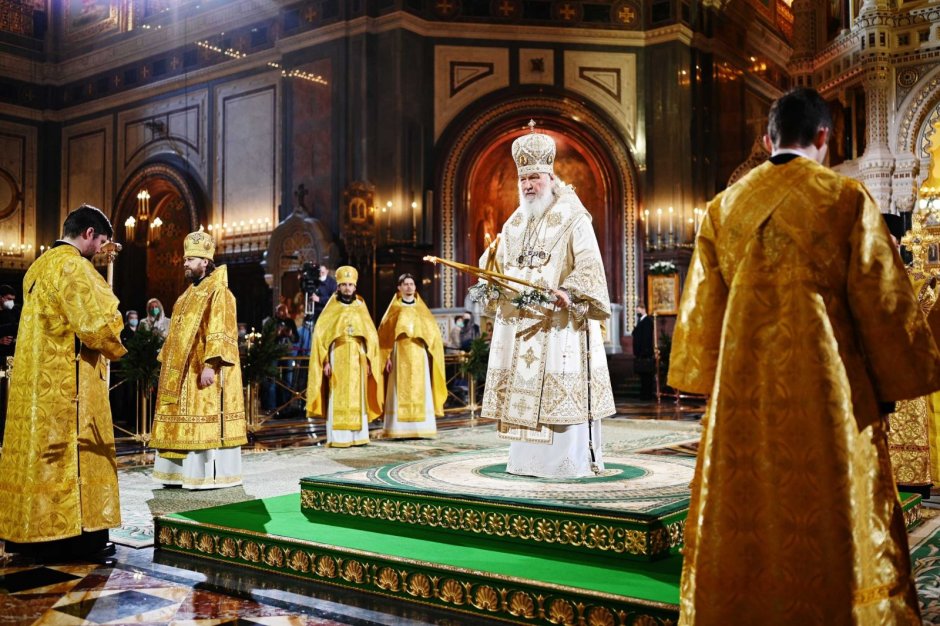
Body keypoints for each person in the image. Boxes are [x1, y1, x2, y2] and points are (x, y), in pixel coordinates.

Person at [667, 87, 940, 624]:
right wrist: (898, 379)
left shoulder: (722, 208)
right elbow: (883, 304)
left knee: (745, 511)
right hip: (831, 399)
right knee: (835, 512)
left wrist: (711, 384)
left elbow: (698, 329)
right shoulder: (845, 198)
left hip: (742, 402)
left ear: (769, 139)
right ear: (823, 137)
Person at [476, 122, 615, 478]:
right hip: (524, 329)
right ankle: (526, 462)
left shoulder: (574, 217)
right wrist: (489, 275)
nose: (527, 185)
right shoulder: (514, 224)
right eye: (523, 179)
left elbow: (590, 264)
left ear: (550, 178)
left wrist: (569, 292)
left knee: (559, 394)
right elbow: (498, 264)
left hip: (559, 327)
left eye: (534, 178)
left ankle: (566, 464)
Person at [0, 204, 126, 559]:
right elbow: (97, 327)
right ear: (89, 233)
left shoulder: (37, 267)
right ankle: (74, 540)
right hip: (66, 387)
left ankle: (27, 536)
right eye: (100, 242)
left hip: (35, 383)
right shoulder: (73, 266)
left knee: (36, 457)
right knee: (70, 454)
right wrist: (117, 335)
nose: (99, 251)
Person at [150, 231, 247, 490]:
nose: (185, 263)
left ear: (205, 261)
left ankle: (204, 476)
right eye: (185, 259)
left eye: (191, 259)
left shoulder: (219, 291)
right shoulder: (185, 297)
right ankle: (176, 474)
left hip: (202, 370)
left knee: (202, 419)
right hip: (181, 374)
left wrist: (210, 366)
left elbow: (221, 330)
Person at [306, 265, 383, 447]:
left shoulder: (360, 306)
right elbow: (321, 336)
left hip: (358, 356)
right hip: (336, 354)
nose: (347, 288)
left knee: (358, 395)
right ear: (338, 287)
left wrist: (369, 360)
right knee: (336, 394)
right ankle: (339, 437)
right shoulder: (331, 307)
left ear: (354, 287)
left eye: (350, 285)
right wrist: (325, 361)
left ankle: (358, 436)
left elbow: (371, 335)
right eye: (344, 285)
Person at [378, 273, 447, 439]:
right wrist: (387, 357)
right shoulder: (394, 309)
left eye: (412, 284)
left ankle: (421, 428)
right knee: (397, 387)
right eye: (406, 284)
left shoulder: (422, 309)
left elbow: (433, 334)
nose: (409, 287)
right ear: (399, 288)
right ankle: (397, 429)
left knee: (420, 387)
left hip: (418, 354)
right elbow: (384, 335)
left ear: (415, 287)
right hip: (399, 353)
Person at [631, 305, 655, 400]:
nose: (638, 313)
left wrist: (644, 351)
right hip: (641, 352)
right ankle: (644, 394)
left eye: (639, 311)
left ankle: (647, 394)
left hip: (645, 352)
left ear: (644, 309)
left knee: (647, 376)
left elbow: (646, 338)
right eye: (637, 311)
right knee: (643, 376)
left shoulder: (647, 321)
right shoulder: (641, 320)